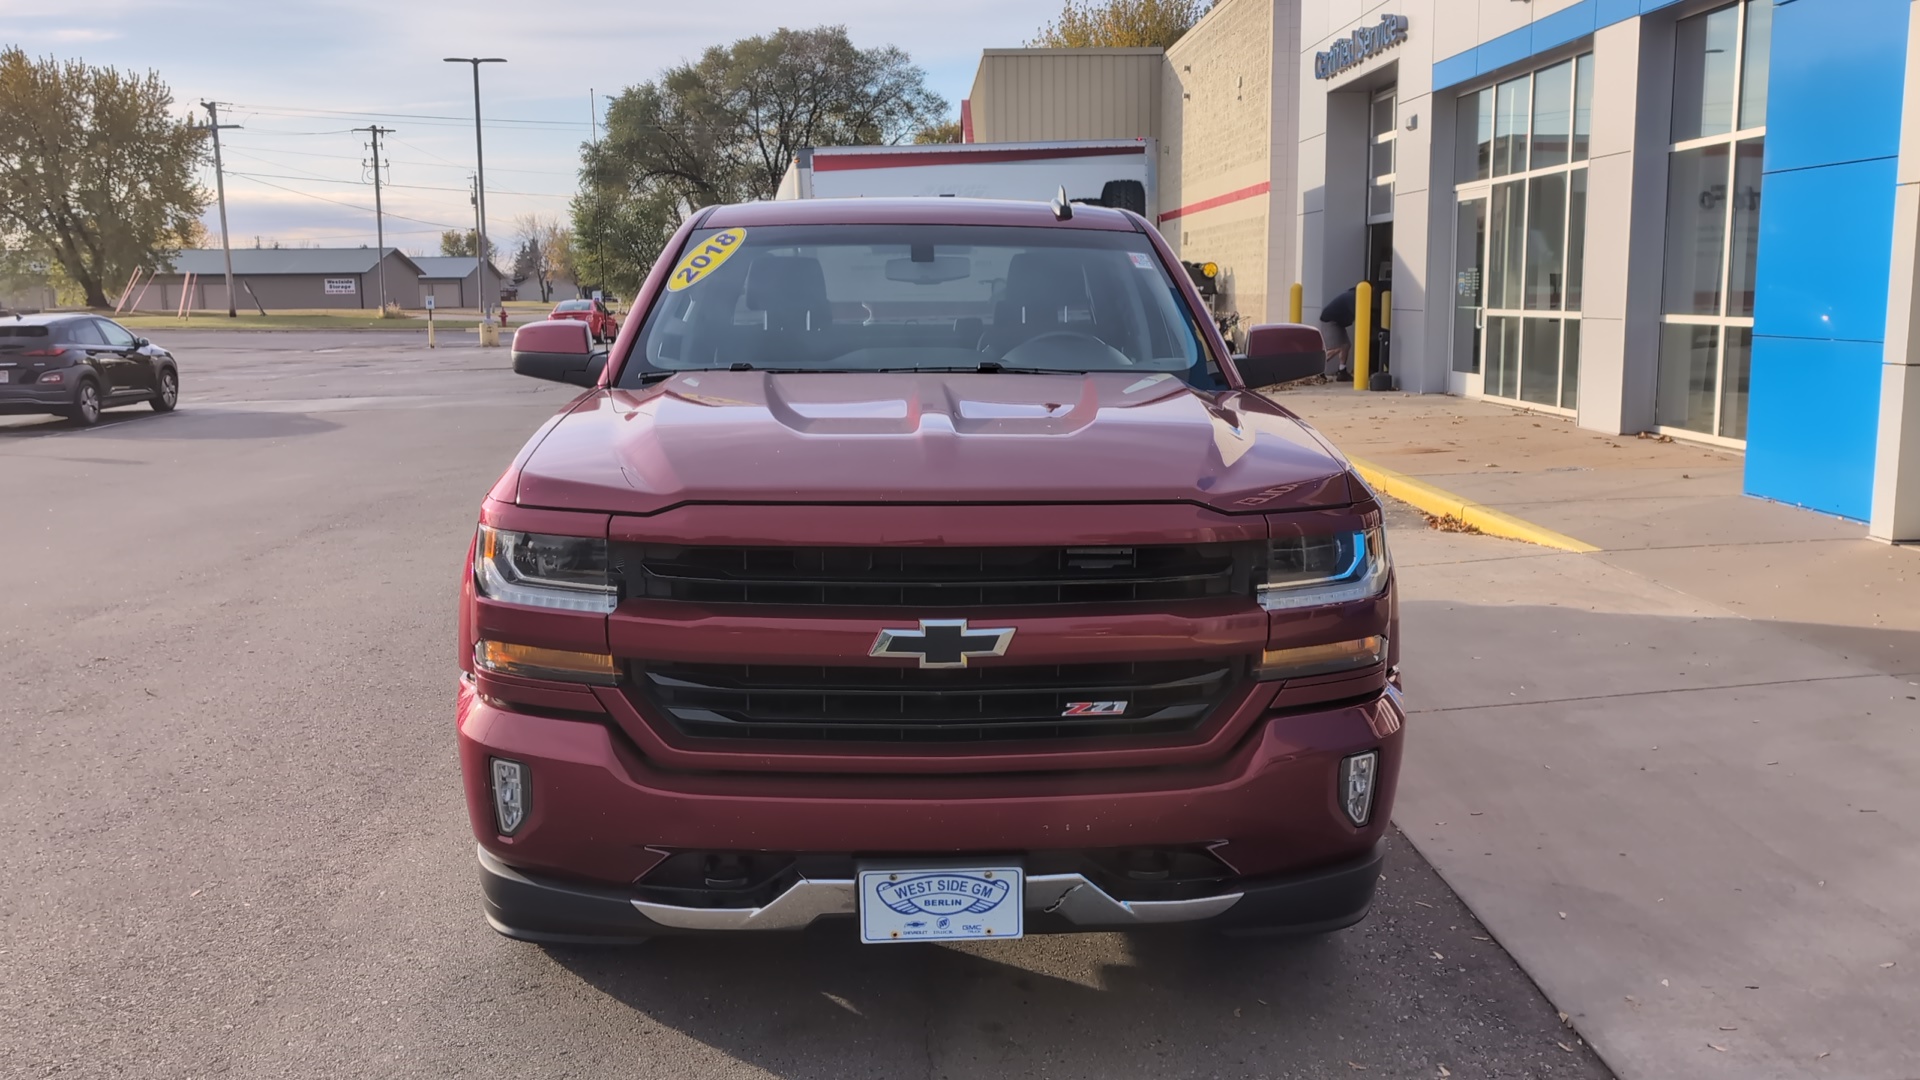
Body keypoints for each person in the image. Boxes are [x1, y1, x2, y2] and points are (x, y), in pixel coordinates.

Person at [1318, 286, 1356, 379]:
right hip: (1330, 321)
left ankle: (1342, 370)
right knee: (1338, 347)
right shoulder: (1353, 297)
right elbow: (1356, 312)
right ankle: (1316, 369)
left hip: (1337, 322)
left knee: (1346, 345)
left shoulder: (1351, 294)